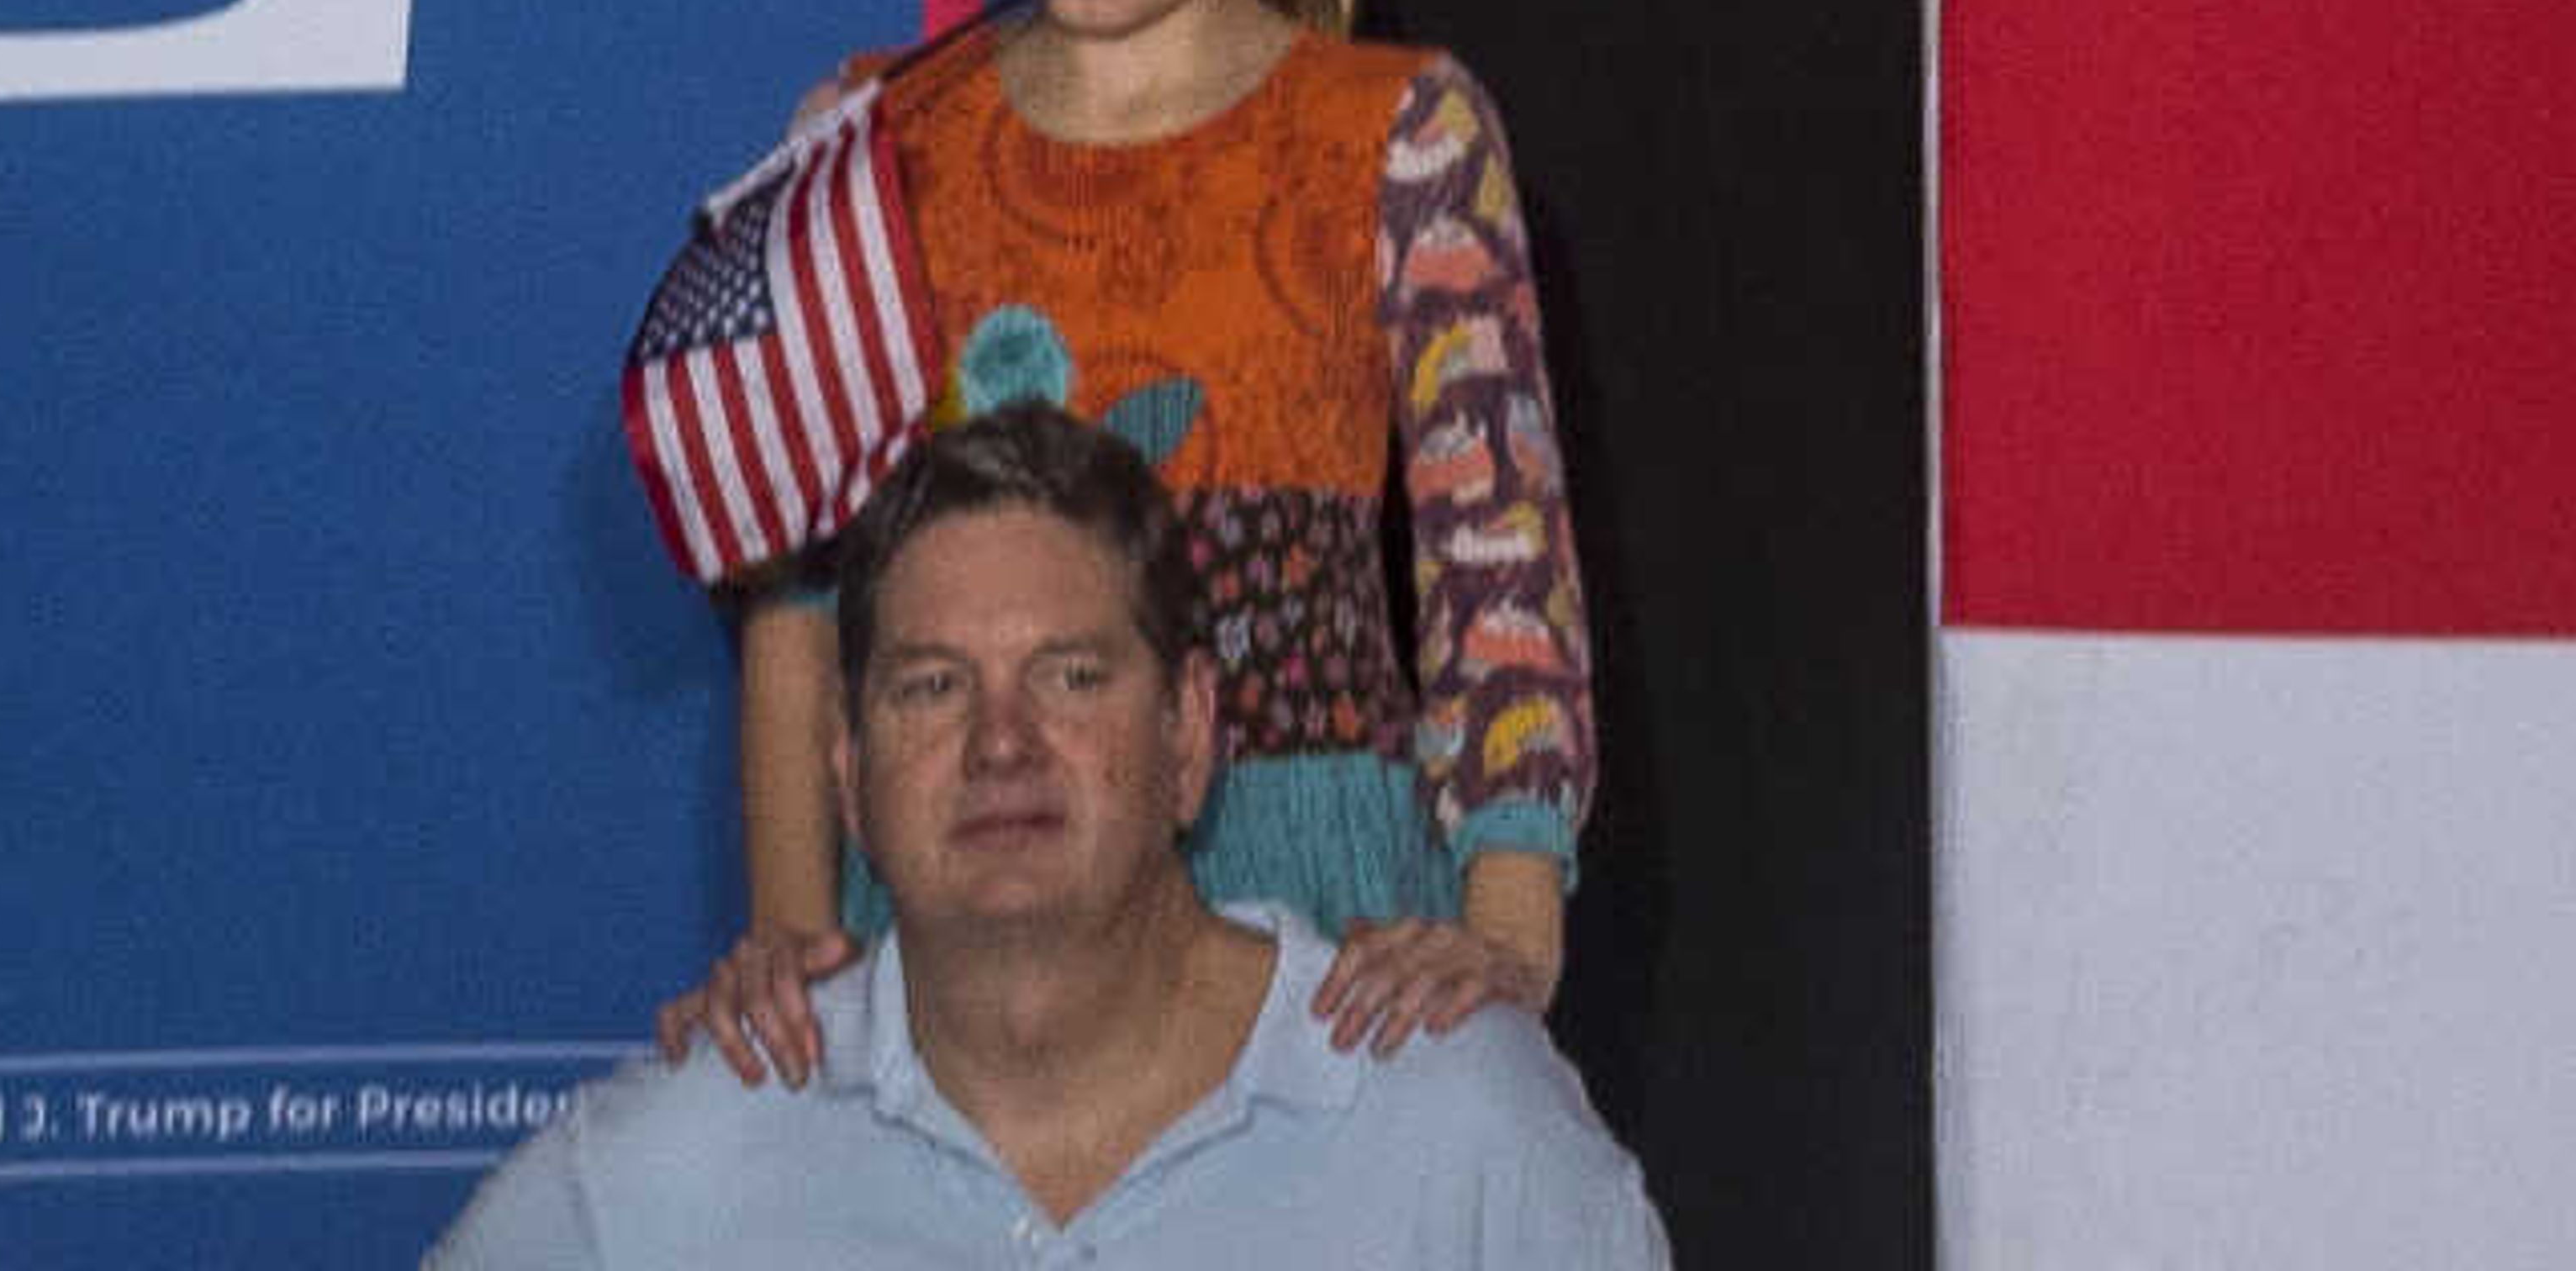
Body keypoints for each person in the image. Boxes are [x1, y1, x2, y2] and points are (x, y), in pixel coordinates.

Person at [668, 0, 1594, 1085]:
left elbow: (1497, 572)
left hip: (1319, 921)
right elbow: (801, 593)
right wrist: (797, 937)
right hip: (972, 912)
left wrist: (1505, 937)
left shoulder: (1400, 134)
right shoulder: (879, 141)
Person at [435, 409, 1662, 1265]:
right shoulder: (685, 1164)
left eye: (1072, 677)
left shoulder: (1453, 1132)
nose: (1001, 742)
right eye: (931, 687)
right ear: (849, 778)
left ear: (1190, 735)